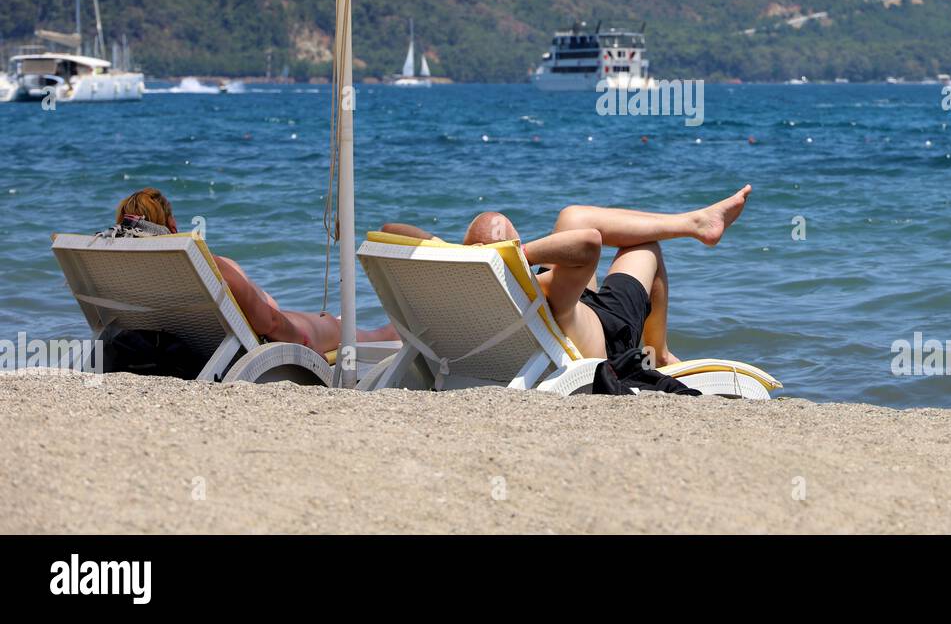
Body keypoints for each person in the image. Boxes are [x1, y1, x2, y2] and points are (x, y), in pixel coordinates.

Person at [381, 185, 752, 368]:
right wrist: (519, 256)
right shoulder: (539, 290)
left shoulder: (466, 289)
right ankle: (661, 353)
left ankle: (696, 222)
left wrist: (462, 254)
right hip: (608, 331)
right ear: (514, 249)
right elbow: (590, 245)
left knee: (573, 215)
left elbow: (390, 228)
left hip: (555, 311)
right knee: (645, 247)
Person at [114, 188, 395, 356]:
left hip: (190, 346)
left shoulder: (129, 268)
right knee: (363, 333)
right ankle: (414, 336)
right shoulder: (204, 264)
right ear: (171, 225)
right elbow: (268, 323)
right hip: (283, 336)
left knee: (341, 324)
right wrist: (305, 344)